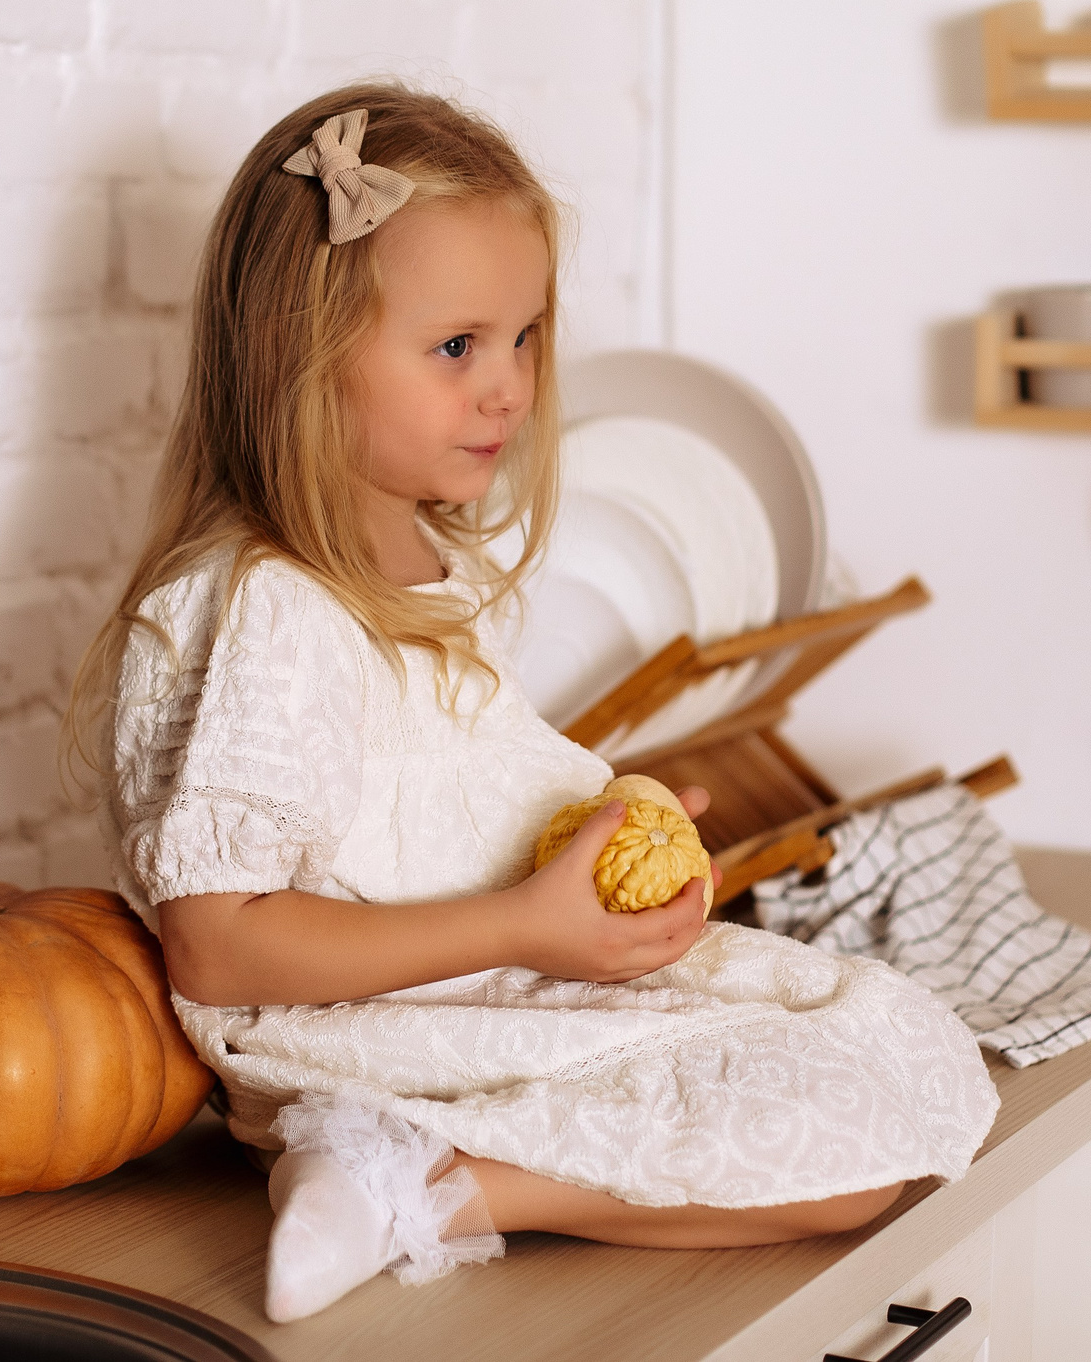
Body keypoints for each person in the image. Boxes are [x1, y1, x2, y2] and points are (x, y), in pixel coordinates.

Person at [68, 83, 997, 1324]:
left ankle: (396, 1179)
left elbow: (430, 808)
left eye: (525, 337)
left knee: (887, 1058)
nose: (507, 386)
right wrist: (524, 924)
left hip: (475, 988)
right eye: (458, 347)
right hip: (353, 1036)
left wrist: (608, 847)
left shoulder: (418, 563)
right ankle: (422, 1188)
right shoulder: (276, 608)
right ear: (300, 357)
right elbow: (222, 946)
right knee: (854, 1149)